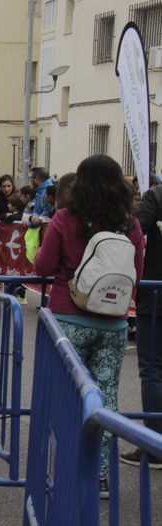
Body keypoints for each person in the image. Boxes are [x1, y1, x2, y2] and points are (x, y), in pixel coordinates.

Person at [33, 155, 144, 497]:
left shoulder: (66, 219)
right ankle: (99, 477)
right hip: (113, 324)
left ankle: (64, 471)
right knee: (105, 399)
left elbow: (44, 265)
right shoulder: (130, 223)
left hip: (68, 319)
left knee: (65, 397)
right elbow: (136, 273)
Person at [127, 175, 162, 468]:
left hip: (157, 296)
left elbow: (133, 233)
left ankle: (154, 444)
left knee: (153, 369)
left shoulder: (157, 196)